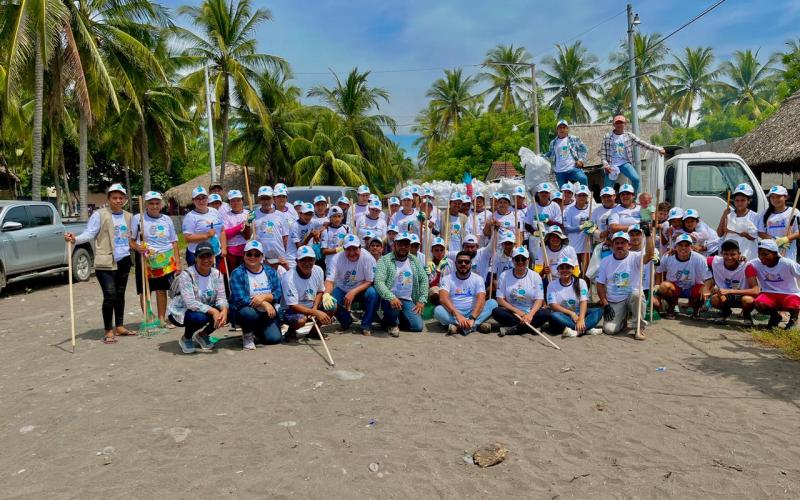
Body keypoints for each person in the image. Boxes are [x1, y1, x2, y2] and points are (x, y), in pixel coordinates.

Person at [64, 183, 134, 344]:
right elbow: (89, 233)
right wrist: (75, 239)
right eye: (114, 197)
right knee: (110, 295)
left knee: (120, 294)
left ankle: (120, 326)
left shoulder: (129, 216)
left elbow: (132, 237)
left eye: (120, 198)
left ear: (125, 199)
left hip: (123, 260)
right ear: (109, 198)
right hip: (105, 261)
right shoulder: (99, 215)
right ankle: (108, 329)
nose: (118, 200)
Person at [130, 190, 181, 329]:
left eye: (157, 203)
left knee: (161, 289)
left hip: (164, 259)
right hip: (145, 259)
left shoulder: (167, 219)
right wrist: (138, 248)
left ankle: (161, 319)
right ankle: (148, 319)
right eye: (151, 203)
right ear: (146, 205)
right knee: (145, 290)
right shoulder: (137, 218)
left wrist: (178, 262)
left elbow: (174, 241)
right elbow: (132, 241)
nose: (154, 206)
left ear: (161, 204)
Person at [168, 242, 229, 354]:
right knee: (199, 318)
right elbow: (190, 303)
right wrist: (214, 311)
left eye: (209, 256)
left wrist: (224, 310)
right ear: (195, 258)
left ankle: (203, 335)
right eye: (202, 256)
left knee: (230, 311)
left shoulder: (218, 274)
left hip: (205, 307)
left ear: (214, 257)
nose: (206, 260)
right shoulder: (187, 275)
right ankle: (186, 338)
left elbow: (221, 297)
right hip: (182, 311)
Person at [596, 229, 655, 340]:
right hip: (615, 300)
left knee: (637, 294)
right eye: (617, 243)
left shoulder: (636, 257)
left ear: (629, 245)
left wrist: (648, 235)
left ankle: (638, 327)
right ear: (612, 246)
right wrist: (605, 304)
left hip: (631, 296)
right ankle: (622, 319)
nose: (619, 246)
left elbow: (650, 255)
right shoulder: (605, 261)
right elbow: (600, 284)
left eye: (623, 243)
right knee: (609, 330)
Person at [229, 240, 283, 350]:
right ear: (243, 255)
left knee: (274, 339)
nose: (252, 257)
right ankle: (248, 335)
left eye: (257, 254)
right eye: (249, 254)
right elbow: (240, 298)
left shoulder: (270, 271)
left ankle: (257, 330)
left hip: (266, 312)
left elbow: (278, 292)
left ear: (262, 256)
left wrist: (265, 297)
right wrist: (264, 303)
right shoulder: (237, 273)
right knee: (248, 313)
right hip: (248, 310)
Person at [374, 232, 429, 336]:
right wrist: (391, 297)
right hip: (390, 299)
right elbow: (379, 282)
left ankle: (392, 320)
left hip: (408, 299)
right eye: (400, 244)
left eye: (406, 244)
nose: (403, 247)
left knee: (418, 327)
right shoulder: (385, 260)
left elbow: (424, 279)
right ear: (395, 245)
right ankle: (392, 324)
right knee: (394, 306)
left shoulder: (414, 260)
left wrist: (422, 300)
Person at [324, 234, 379, 336]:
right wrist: (326, 294)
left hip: (362, 288)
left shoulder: (368, 258)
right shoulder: (336, 259)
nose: (352, 253)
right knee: (331, 301)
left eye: (355, 249)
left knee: (373, 293)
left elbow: (369, 281)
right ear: (343, 249)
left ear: (360, 247)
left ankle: (366, 325)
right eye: (348, 249)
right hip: (342, 288)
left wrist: (353, 292)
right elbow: (329, 281)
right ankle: (346, 321)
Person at [434, 251, 498, 335]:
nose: (463, 264)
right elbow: (443, 298)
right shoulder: (447, 279)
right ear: (455, 263)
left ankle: (459, 327)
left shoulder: (478, 279)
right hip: (453, 312)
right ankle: (474, 326)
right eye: (460, 262)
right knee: (438, 310)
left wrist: (472, 318)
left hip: (473, 312)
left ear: (471, 264)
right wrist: (458, 316)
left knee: (493, 303)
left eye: (466, 262)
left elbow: (481, 299)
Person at [492, 247, 550, 336]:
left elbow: (539, 300)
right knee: (496, 312)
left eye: (523, 259)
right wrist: (518, 312)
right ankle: (530, 328)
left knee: (546, 313)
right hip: (512, 312)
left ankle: (514, 329)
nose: (520, 262)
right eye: (517, 259)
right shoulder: (504, 275)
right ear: (512, 260)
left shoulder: (535, 276)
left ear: (528, 260)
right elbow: (500, 299)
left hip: (531, 312)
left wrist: (530, 315)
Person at [600, 115, 665, 193]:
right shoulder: (607, 136)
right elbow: (603, 154)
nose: (619, 125)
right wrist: (606, 166)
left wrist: (658, 149)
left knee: (636, 179)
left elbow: (643, 143)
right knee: (607, 189)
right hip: (611, 165)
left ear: (625, 124)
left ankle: (634, 198)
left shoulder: (629, 136)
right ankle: (606, 203)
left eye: (621, 123)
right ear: (614, 125)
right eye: (617, 123)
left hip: (624, 163)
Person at [281, 245, 332, 341]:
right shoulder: (289, 278)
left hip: (312, 306)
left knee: (332, 305)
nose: (307, 263)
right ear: (296, 261)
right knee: (301, 320)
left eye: (310, 260)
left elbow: (320, 291)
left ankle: (313, 332)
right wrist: (315, 312)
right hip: (292, 310)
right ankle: (291, 332)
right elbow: (293, 305)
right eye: (303, 260)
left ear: (315, 260)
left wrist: (315, 308)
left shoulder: (318, 270)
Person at [656, 234, 712, 319]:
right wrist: (658, 289)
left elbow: (708, 279)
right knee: (664, 286)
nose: (683, 248)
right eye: (680, 245)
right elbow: (659, 272)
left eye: (687, 245)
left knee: (706, 288)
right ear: (675, 246)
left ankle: (696, 309)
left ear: (691, 247)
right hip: (675, 287)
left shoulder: (700, 258)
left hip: (693, 287)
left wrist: (706, 288)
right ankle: (671, 307)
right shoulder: (668, 256)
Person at [748, 239, 800, 329]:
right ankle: (775, 316)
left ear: (775, 253)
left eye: (765, 254)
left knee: (793, 303)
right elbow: (743, 265)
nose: (761, 257)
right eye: (759, 253)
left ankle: (793, 319)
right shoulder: (755, 263)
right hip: (769, 293)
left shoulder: (787, 263)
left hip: (789, 293)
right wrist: (741, 259)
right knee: (758, 303)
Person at [546, 256, 603, 337]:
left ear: (572, 269)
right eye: (562, 268)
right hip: (564, 315)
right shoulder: (552, 284)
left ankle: (576, 332)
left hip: (579, 314)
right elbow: (553, 305)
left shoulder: (581, 282)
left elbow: (583, 301)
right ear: (558, 270)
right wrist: (571, 313)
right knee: (554, 316)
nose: (565, 270)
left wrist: (581, 319)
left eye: (568, 267)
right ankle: (586, 329)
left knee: (598, 311)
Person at [707, 240, 759, 325]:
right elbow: (699, 261)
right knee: (714, 299)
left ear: (739, 254)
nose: (729, 257)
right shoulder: (715, 261)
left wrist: (730, 291)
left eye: (733, 254)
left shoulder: (747, 266)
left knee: (748, 300)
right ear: (721, 253)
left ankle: (746, 315)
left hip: (742, 297)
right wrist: (707, 285)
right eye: (726, 254)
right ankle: (725, 312)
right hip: (725, 296)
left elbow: (756, 290)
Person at [182, 186, 225, 266]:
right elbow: (187, 238)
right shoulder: (190, 216)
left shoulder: (214, 211)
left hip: (215, 253)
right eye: (198, 198)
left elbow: (222, 230)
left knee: (214, 277)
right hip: (197, 255)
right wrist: (206, 235)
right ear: (193, 201)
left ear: (207, 198)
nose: (201, 201)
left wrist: (224, 248)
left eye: (203, 198)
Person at [717, 183, 759, 261]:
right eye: (737, 200)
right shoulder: (729, 215)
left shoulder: (755, 216)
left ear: (749, 201)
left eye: (743, 200)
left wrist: (737, 233)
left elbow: (753, 237)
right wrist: (723, 216)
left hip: (747, 254)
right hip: (730, 255)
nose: (739, 203)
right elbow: (719, 233)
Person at [758, 185, 800, 261]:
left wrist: (786, 239)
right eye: (772, 197)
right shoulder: (764, 214)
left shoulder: (794, 212)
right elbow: (761, 232)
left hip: (788, 252)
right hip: (770, 252)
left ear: (786, 197)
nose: (775, 199)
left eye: (778, 196)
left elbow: (798, 232)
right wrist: (774, 239)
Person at [543, 119, 589, 187]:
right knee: (563, 192)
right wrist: (539, 157)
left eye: (564, 127)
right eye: (560, 128)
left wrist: (581, 161)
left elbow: (584, 149)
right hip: (559, 172)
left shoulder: (573, 139)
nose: (562, 129)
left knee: (583, 178)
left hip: (572, 168)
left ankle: (585, 196)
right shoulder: (553, 142)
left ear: (567, 129)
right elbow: (550, 153)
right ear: (557, 130)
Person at [253, 186, 290, 265]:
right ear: (259, 199)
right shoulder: (253, 215)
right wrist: (246, 223)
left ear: (273, 199)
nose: (266, 201)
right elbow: (248, 236)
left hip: (279, 258)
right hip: (260, 258)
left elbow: (286, 239)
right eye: (263, 198)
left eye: (268, 198)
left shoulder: (281, 215)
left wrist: (287, 257)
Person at [220, 190, 251, 274]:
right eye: (233, 201)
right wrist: (240, 227)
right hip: (231, 250)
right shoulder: (225, 216)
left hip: (247, 250)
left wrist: (236, 230)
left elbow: (248, 235)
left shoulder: (249, 214)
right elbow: (225, 234)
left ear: (242, 201)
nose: (235, 203)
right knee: (234, 275)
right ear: (229, 203)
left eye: (238, 200)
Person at [563, 185, 592, 272]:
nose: (582, 197)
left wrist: (592, 228)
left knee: (587, 272)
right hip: (573, 246)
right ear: (575, 196)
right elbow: (567, 229)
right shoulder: (568, 210)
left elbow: (595, 225)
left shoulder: (591, 208)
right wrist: (581, 227)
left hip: (587, 246)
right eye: (580, 195)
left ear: (587, 196)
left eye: (584, 195)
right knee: (575, 272)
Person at [426, 237, 453, 305]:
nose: (439, 253)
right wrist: (438, 270)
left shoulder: (450, 263)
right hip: (437, 291)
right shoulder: (429, 264)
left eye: (441, 250)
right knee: (434, 292)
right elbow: (432, 285)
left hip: (449, 289)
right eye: (436, 250)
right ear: (432, 251)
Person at [320, 206, 349, 270]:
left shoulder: (346, 228)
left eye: (339, 216)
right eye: (334, 216)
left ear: (342, 217)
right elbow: (324, 251)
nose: (337, 219)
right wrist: (340, 249)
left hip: (344, 261)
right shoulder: (326, 230)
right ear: (330, 218)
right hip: (331, 263)